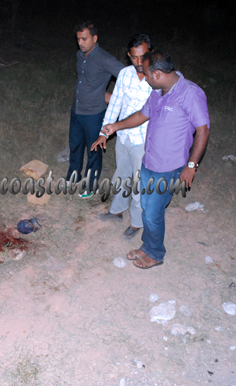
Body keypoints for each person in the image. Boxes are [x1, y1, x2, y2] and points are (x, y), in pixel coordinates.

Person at [101, 50, 210, 269]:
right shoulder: (158, 92)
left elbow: (203, 130)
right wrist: (116, 126)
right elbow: (142, 115)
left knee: (152, 213)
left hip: (169, 166)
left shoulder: (190, 93)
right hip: (149, 160)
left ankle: (156, 253)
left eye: (147, 75)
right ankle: (147, 246)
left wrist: (191, 166)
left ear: (158, 74)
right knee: (146, 207)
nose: (145, 79)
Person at [91, 34, 153, 240]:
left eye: (143, 56)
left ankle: (137, 223)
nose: (139, 62)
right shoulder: (125, 74)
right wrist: (104, 133)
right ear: (128, 55)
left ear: (151, 53)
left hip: (144, 139)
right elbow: (115, 104)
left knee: (139, 182)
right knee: (121, 174)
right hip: (123, 136)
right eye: (134, 57)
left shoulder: (156, 77)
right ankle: (117, 211)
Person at [67, 21, 125, 198]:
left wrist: (113, 97)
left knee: (93, 150)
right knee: (75, 146)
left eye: (84, 39)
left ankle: (90, 185)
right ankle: (73, 177)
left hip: (94, 113)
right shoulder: (80, 55)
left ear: (94, 38)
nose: (80, 43)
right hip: (77, 109)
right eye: (78, 39)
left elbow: (127, 76)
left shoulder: (104, 59)